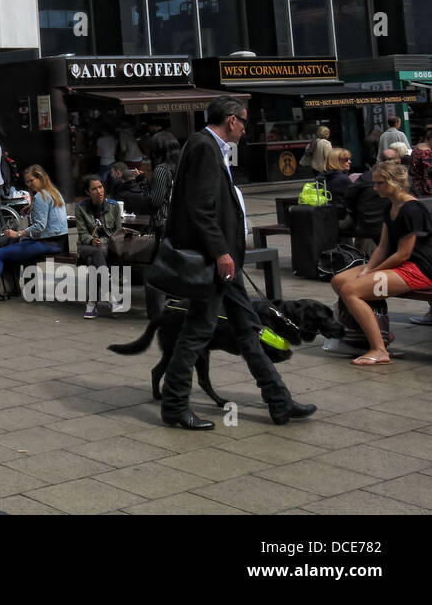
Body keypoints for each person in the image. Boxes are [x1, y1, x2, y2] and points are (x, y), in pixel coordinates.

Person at [159, 97, 314, 430]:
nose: (246, 129)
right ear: (231, 120)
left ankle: (279, 400)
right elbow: (200, 208)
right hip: (214, 264)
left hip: (224, 265)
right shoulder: (203, 146)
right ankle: (173, 405)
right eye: (244, 121)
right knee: (196, 332)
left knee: (248, 330)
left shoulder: (210, 146)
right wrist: (220, 252)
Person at [332, 161, 432, 362]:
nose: (375, 188)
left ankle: (379, 349)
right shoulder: (391, 206)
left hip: (418, 269)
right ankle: (381, 332)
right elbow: (383, 247)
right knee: (339, 280)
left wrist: (370, 272)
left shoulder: (412, 209)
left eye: (379, 183)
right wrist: (369, 268)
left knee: (351, 291)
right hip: (401, 264)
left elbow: (403, 254)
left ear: (393, 183)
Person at [0, 164, 69, 301]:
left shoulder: (40, 197)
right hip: (59, 242)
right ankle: (29, 292)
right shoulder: (54, 192)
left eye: (31, 180)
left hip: (47, 243)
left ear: (40, 178)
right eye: (27, 182)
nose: (29, 184)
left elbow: (39, 227)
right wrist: (32, 208)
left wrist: (18, 233)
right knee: (22, 250)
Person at [75, 176, 125, 318]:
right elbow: (82, 233)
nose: (99, 191)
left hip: (107, 248)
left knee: (93, 261)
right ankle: (110, 296)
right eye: (94, 189)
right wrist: (91, 240)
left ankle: (91, 304)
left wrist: (107, 242)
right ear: (87, 192)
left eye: (100, 187)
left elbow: (118, 232)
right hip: (86, 247)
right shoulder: (81, 208)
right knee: (96, 252)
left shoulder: (114, 206)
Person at [121, 131, 181, 236]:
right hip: (179, 220)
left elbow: (155, 201)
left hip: (162, 223)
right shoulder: (180, 166)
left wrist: (142, 182)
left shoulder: (162, 169)